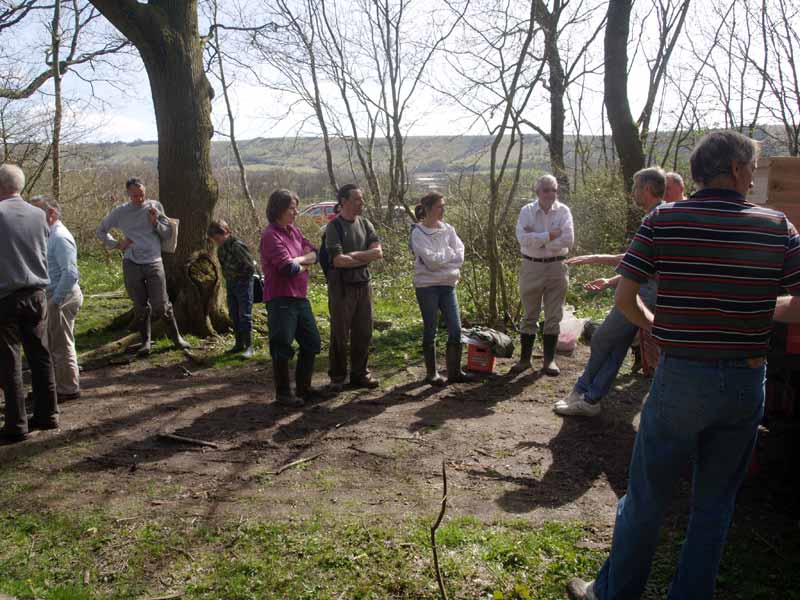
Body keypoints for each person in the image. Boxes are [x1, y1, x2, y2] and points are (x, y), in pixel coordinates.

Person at [567, 131, 800, 600]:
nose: (752, 177)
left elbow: (626, 298)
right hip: (743, 380)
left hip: (681, 378)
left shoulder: (664, 219)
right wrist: (756, 307)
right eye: (750, 169)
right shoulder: (777, 226)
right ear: (735, 169)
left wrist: (654, 324)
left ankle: (612, 593)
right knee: (714, 505)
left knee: (647, 498)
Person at [556, 167, 666, 417]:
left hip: (646, 294)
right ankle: (590, 399)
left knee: (603, 338)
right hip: (646, 289)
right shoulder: (655, 215)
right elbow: (640, 262)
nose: (632, 193)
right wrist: (610, 279)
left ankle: (582, 391)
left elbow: (632, 260)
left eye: (636, 187)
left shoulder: (656, 218)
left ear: (647, 189)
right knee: (616, 345)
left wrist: (595, 258)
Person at [96, 177, 189, 357]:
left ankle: (177, 338)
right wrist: (117, 244)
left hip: (154, 261)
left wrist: (155, 223)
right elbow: (101, 231)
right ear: (128, 194)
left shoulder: (155, 206)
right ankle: (145, 342)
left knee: (161, 305)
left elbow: (168, 233)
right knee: (140, 306)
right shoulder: (120, 212)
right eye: (135, 196)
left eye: (142, 195)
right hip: (132, 262)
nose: (140, 199)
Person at [0, 164, 59, 443]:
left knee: (9, 360)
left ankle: (16, 424)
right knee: (40, 354)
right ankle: (48, 414)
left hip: (6, 296)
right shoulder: (39, 215)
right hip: (37, 293)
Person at [260, 189, 324, 405]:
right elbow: (287, 269)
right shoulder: (271, 236)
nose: (296, 212)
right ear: (278, 209)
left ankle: (304, 388)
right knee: (282, 345)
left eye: (296, 207)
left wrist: (300, 260)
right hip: (280, 298)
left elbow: (315, 253)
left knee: (312, 342)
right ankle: (284, 393)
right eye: (291, 208)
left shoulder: (294, 232)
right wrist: (304, 262)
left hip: (299, 297)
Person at [511, 174, 574, 376]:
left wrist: (537, 238)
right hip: (532, 266)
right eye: (546, 190)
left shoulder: (563, 211)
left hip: (557, 267)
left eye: (554, 190)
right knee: (530, 314)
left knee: (554, 315)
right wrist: (549, 235)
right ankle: (525, 360)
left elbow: (568, 240)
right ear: (537, 191)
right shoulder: (526, 211)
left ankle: (549, 361)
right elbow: (522, 239)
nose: (550, 194)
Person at [410, 192, 473, 386]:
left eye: (444, 206)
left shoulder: (448, 229)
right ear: (428, 209)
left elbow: (460, 255)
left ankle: (455, 372)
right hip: (426, 287)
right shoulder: (418, 233)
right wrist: (448, 255)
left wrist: (443, 257)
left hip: (448, 285)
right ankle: (432, 373)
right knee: (431, 329)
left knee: (455, 328)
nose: (443, 210)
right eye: (440, 206)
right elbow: (431, 262)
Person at [325, 184, 384, 391]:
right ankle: (338, 377)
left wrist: (355, 256)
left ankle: (360, 374)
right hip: (341, 287)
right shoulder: (334, 227)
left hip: (363, 284)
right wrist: (363, 256)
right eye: (357, 199)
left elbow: (378, 253)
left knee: (364, 331)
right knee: (340, 333)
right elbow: (338, 261)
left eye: (362, 198)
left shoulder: (366, 223)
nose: (362, 203)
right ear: (343, 202)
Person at [31, 196, 83, 401]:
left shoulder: (60, 237)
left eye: (37, 213)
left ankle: (68, 389)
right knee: (51, 344)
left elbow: (70, 273)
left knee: (62, 345)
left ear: (51, 213)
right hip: (53, 296)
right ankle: (54, 387)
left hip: (62, 297)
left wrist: (56, 301)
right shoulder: (48, 234)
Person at [208, 220, 256, 358]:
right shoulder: (221, 248)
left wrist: (239, 275)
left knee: (244, 315)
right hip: (231, 283)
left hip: (243, 283)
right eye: (214, 240)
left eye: (218, 238)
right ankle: (238, 344)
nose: (217, 242)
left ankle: (249, 347)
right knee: (234, 314)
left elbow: (249, 266)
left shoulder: (237, 246)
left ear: (225, 233)